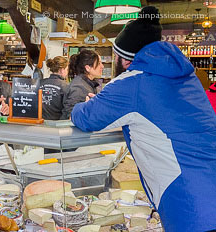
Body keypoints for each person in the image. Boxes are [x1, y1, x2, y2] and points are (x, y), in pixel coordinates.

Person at [71, 6, 216, 232]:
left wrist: (90, 103)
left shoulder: (131, 83)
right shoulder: (188, 79)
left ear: (126, 60)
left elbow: (84, 117)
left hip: (191, 207)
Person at [61, 50, 104, 119]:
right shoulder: (79, 87)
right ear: (87, 68)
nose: (102, 66)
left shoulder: (88, 84)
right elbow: (71, 116)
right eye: (99, 63)